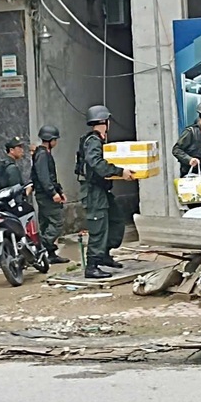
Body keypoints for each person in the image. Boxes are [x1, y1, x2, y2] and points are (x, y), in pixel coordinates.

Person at [80, 106, 135, 280]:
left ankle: (104, 254)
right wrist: (120, 172)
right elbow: (96, 163)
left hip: (102, 190)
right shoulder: (93, 141)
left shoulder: (99, 140)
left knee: (116, 220)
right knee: (98, 227)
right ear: (105, 121)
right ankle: (92, 266)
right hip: (93, 191)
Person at [33, 125, 69, 265]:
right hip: (46, 196)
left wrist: (59, 191)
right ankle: (41, 247)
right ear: (50, 140)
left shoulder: (44, 153)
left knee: (46, 224)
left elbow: (52, 177)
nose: (56, 142)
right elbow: (44, 177)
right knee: (57, 222)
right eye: (55, 139)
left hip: (46, 194)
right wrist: (53, 193)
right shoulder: (42, 155)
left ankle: (50, 254)